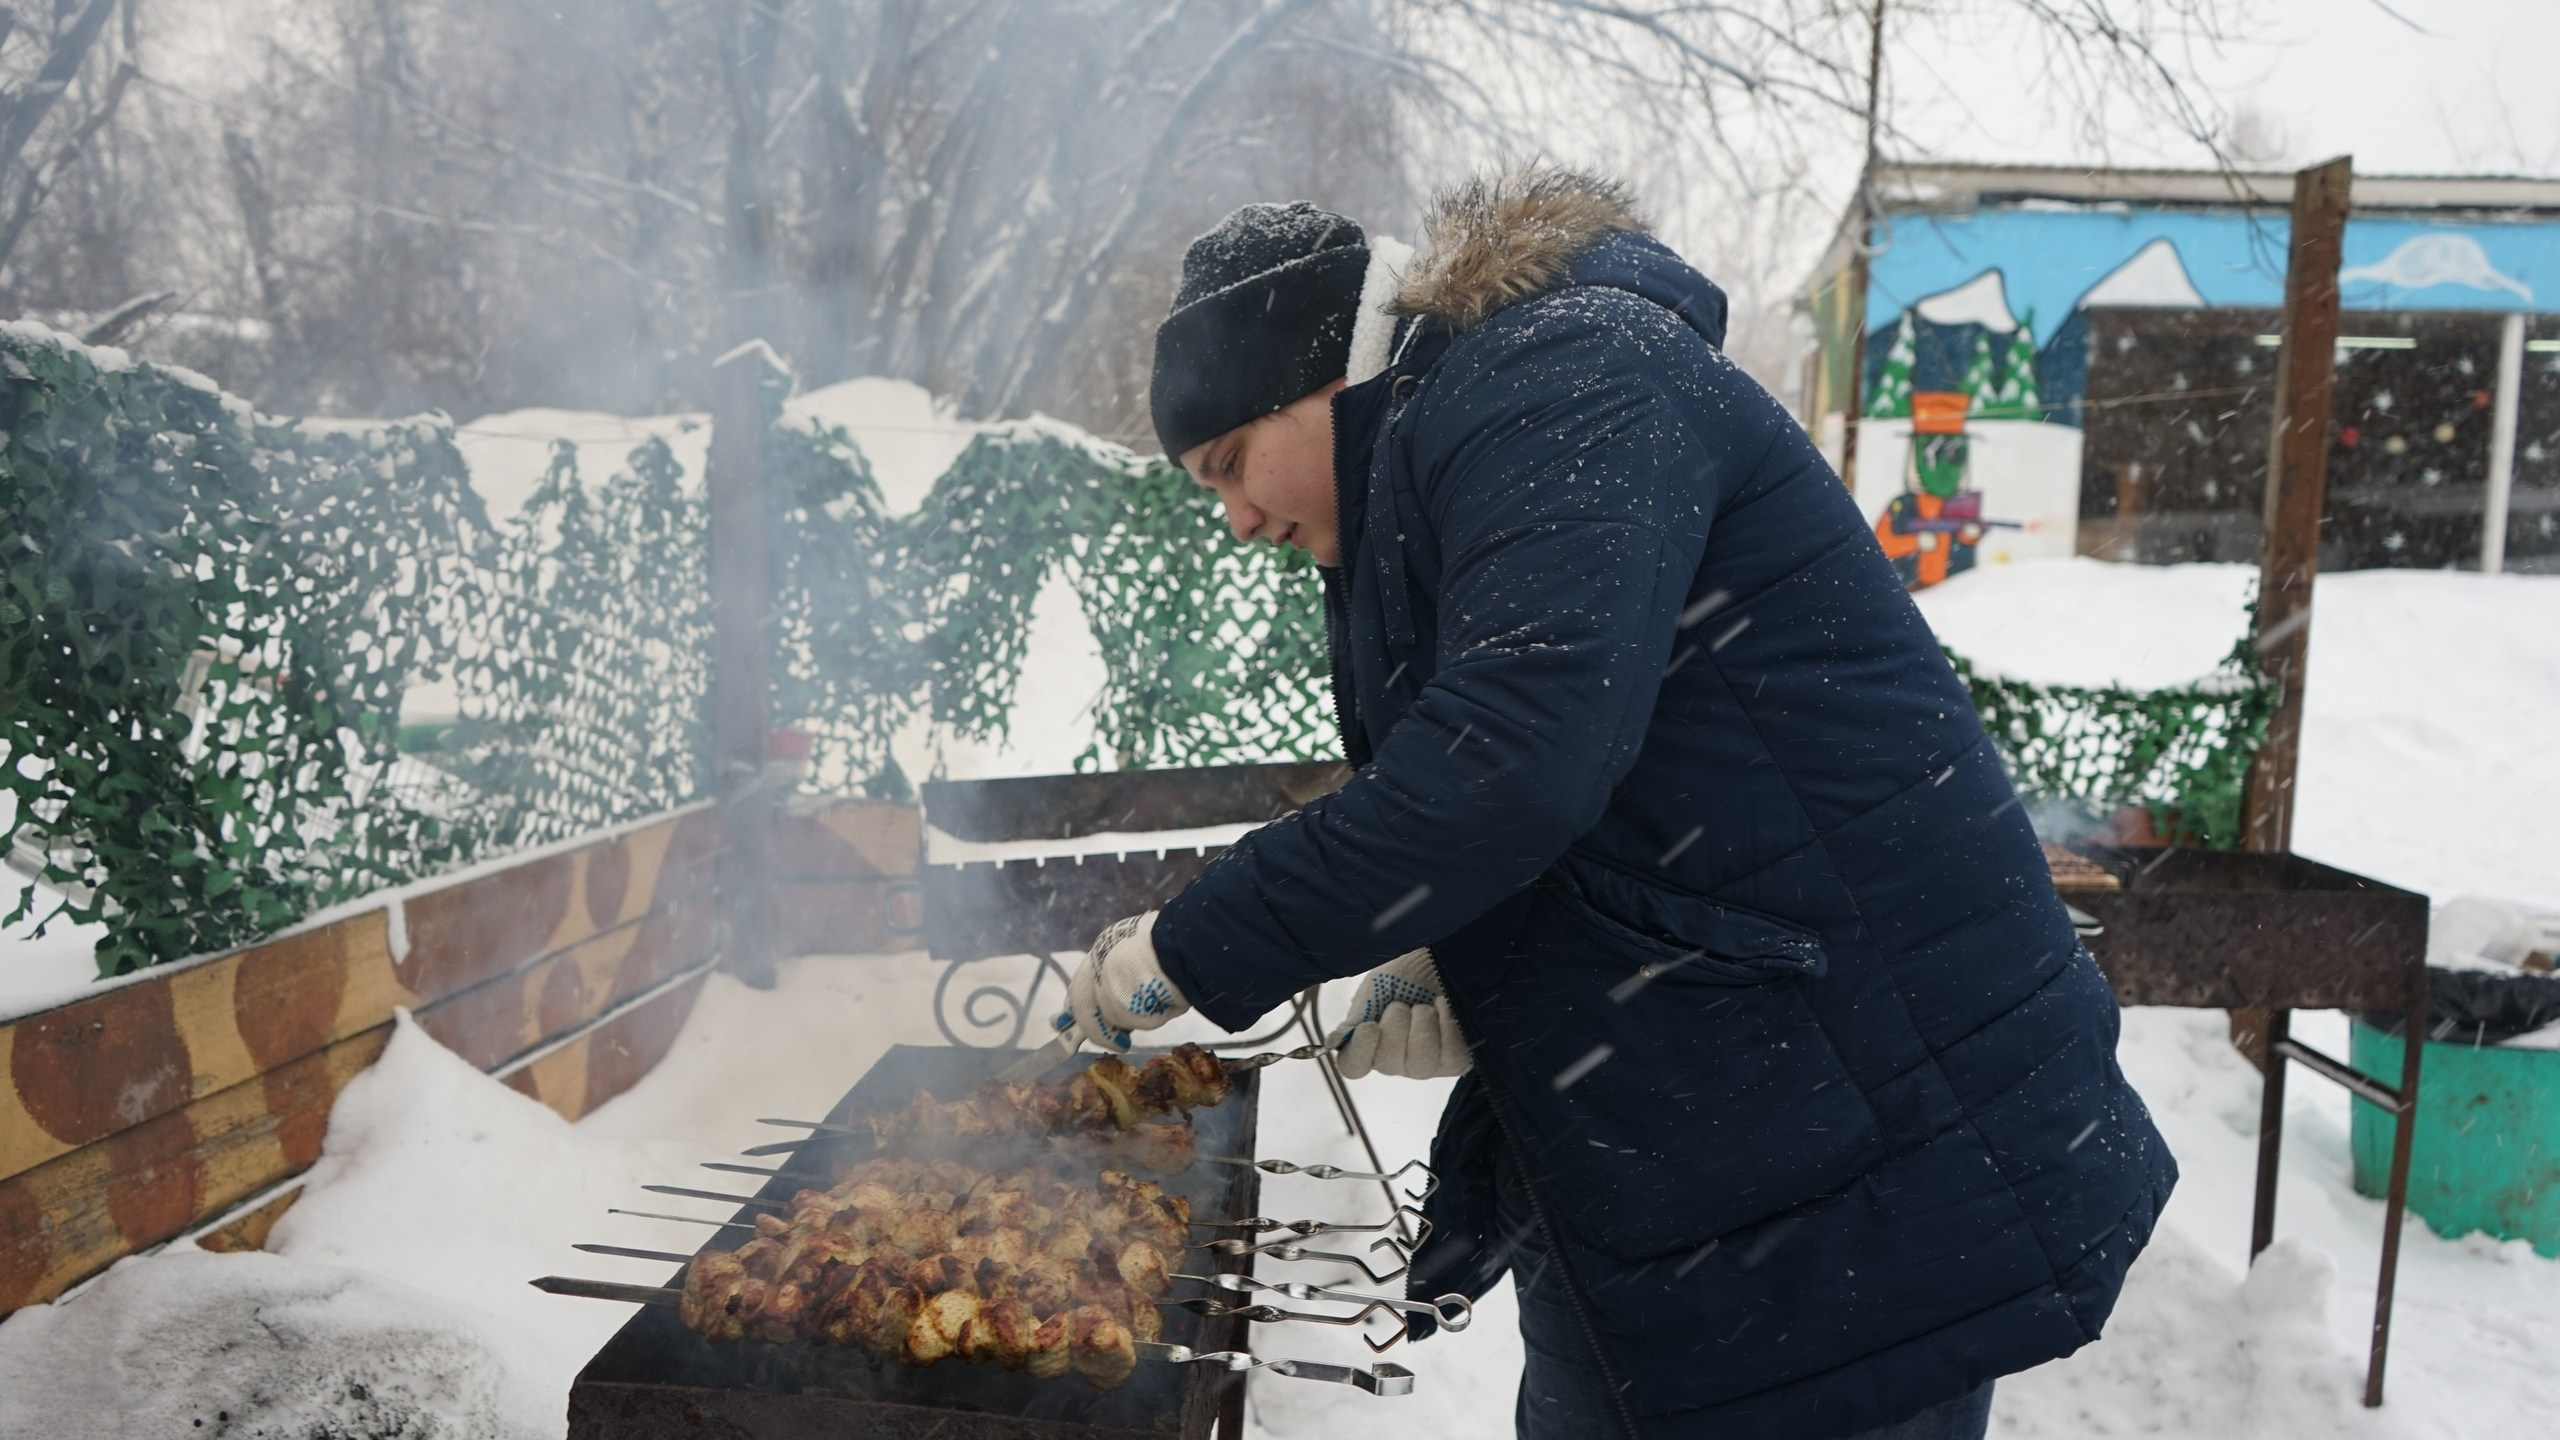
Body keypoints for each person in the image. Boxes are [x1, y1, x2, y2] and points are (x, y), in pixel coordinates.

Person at [1055, 166, 2176, 1440]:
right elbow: (1613, 766)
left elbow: (1512, 759)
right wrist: (1469, 964)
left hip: (1852, 1147)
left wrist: (1191, 947)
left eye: (1231, 461)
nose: (1236, 517)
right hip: (1737, 1138)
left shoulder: (1563, 374)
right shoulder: (1464, 435)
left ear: (1320, 378)